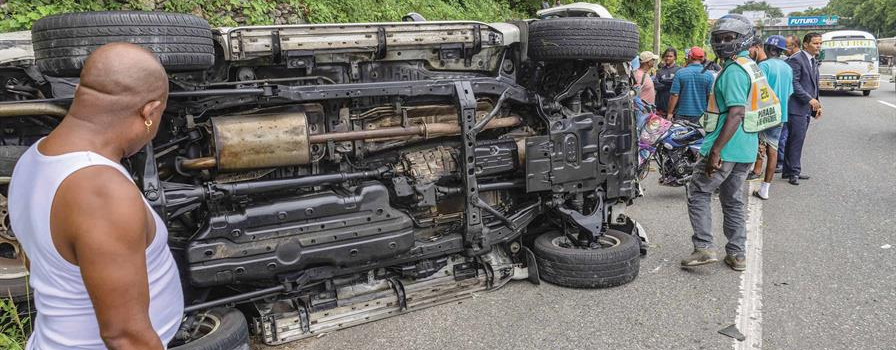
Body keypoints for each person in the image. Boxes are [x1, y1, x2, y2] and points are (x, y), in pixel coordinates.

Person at [8, 43, 182, 349]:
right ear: (150, 112)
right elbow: (124, 336)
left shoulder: (34, 158)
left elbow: (45, 266)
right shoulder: (100, 191)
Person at [681, 14, 761, 271]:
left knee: (698, 191)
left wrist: (716, 150)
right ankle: (737, 254)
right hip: (745, 147)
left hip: (727, 147)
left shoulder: (734, 71)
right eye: (719, 38)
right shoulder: (752, 67)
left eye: (730, 38)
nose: (723, 43)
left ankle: (703, 247)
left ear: (744, 39)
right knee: (732, 199)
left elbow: (736, 112)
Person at [747, 35, 794, 200]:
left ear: (767, 48)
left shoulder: (763, 66)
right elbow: (789, 93)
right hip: (780, 114)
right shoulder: (787, 68)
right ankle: (765, 189)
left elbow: (759, 92)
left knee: (758, 145)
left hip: (764, 113)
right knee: (772, 151)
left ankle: (753, 173)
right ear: (781, 51)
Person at [782, 33, 822, 186]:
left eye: (820, 43)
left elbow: (813, 86)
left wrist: (817, 105)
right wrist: (809, 99)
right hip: (796, 107)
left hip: (805, 108)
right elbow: (794, 84)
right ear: (805, 44)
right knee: (796, 140)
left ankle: (788, 170)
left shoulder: (813, 61)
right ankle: (794, 172)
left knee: (794, 140)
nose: (818, 46)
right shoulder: (797, 60)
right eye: (815, 43)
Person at [667, 47, 715, 123]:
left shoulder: (680, 73)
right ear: (702, 59)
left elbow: (674, 95)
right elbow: (710, 97)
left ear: (689, 57)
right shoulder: (709, 75)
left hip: (682, 115)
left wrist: (669, 113)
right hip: (701, 115)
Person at [655, 48, 681, 115]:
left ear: (675, 57)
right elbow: (656, 84)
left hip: (676, 109)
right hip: (661, 109)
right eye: (666, 56)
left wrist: (664, 83)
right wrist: (669, 85)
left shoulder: (680, 70)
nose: (668, 58)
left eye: (670, 56)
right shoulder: (660, 71)